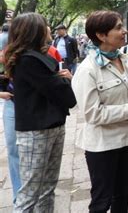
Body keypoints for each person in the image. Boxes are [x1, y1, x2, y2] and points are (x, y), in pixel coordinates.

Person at [72, 10, 128, 213]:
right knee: (102, 201)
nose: (124, 31)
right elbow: (92, 114)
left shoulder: (123, 59)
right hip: (103, 146)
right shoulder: (88, 69)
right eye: (118, 28)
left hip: (127, 140)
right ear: (101, 35)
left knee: (122, 195)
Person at [4, 12, 76, 212]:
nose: (49, 30)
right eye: (44, 25)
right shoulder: (29, 60)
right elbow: (66, 96)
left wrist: (61, 81)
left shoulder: (38, 56)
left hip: (51, 126)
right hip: (36, 132)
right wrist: (65, 80)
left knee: (47, 188)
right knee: (31, 193)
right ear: (33, 31)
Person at [0, 37, 21, 204]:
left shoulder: (43, 53)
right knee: (14, 151)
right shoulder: (6, 54)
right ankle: (18, 195)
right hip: (12, 105)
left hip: (34, 108)